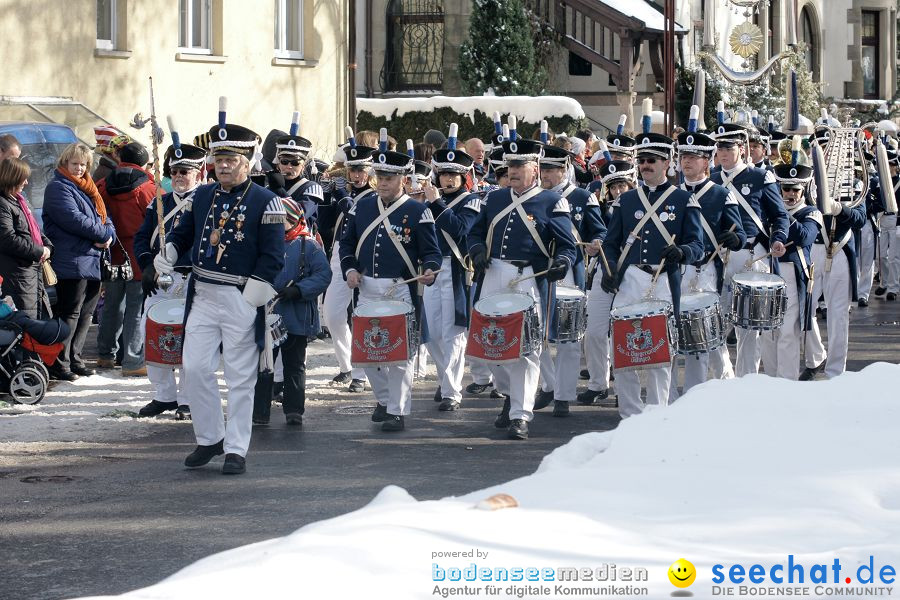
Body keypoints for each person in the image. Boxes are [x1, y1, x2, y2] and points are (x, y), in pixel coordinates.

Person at [155, 111, 285, 475]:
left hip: (240, 296)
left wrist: (252, 297)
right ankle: (210, 436)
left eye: (231, 160)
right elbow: (183, 233)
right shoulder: (203, 195)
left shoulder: (266, 201)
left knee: (241, 378)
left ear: (247, 162)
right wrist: (169, 252)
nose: (223, 166)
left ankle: (237, 448)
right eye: (219, 159)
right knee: (194, 368)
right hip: (203, 294)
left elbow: (274, 256)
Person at [467, 134, 577, 439]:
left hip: (526, 279)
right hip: (492, 275)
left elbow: (568, 247)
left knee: (526, 350)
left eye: (520, 165)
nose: (512, 170)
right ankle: (508, 395)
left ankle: (520, 414)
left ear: (535, 167)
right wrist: (476, 249)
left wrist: (562, 263)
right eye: (509, 164)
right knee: (488, 348)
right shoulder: (494, 198)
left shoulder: (553, 202)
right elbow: (474, 233)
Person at [338, 140, 442, 432]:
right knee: (366, 354)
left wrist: (430, 270)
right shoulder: (362, 207)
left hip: (400, 289)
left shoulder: (417, 211)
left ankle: (397, 410)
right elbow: (346, 244)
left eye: (388, 178)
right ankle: (383, 399)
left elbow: (431, 253)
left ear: (402, 179)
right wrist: (350, 269)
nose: (382, 183)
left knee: (398, 355)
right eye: (379, 177)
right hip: (367, 287)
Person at [600, 131, 704, 419]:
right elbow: (610, 243)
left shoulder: (684, 200)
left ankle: (658, 414)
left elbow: (698, 245)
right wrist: (609, 270)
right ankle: (629, 416)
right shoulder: (626, 200)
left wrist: (682, 252)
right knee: (623, 349)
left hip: (663, 283)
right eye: (642, 160)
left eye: (652, 161)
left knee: (659, 353)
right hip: (631, 279)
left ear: (667, 163)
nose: (646, 165)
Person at [669, 127, 745, 401]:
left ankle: (699, 393)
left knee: (704, 334)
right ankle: (678, 395)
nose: (685, 161)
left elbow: (741, 234)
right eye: (683, 156)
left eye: (693, 156)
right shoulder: (672, 194)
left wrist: (734, 238)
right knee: (679, 333)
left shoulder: (721, 195)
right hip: (676, 271)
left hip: (706, 270)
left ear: (707, 161)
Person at [134, 134, 207, 419]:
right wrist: (147, 266)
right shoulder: (158, 203)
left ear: (197, 173)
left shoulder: (205, 202)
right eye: (174, 171)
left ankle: (188, 398)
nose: (178, 176)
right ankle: (163, 395)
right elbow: (141, 239)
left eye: (184, 172)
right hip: (159, 280)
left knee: (189, 339)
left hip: (191, 279)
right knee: (150, 332)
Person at [710, 123, 789, 377]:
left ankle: (747, 381)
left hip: (751, 255)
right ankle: (725, 376)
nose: (723, 153)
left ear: (741, 148)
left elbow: (779, 215)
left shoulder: (758, 177)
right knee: (714, 322)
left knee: (749, 326)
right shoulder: (711, 179)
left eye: (728, 147)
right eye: (719, 147)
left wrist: (778, 238)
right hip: (718, 257)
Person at [534, 144, 606, 417]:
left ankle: (563, 395)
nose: (546, 175)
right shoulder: (533, 198)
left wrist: (596, 242)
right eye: (543, 170)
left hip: (569, 275)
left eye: (551, 170)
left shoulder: (582, 197)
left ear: (564, 169)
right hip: (539, 274)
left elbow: (599, 230)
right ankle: (549, 384)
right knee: (535, 336)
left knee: (568, 339)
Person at [42, 143, 117, 381]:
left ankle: (75, 358)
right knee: (70, 312)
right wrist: (103, 235)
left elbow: (105, 219)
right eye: (75, 164)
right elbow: (73, 219)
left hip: (92, 259)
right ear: (64, 163)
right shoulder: (57, 187)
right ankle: (59, 361)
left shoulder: (88, 188)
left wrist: (109, 237)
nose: (79, 168)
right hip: (71, 259)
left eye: (83, 164)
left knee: (86, 313)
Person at [254, 198, 330, 426]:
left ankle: (294, 410)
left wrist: (299, 290)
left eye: (284, 220)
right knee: (264, 364)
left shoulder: (309, 245)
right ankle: (259, 411)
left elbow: (324, 276)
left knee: (294, 363)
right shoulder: (263, 243)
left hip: (296, 315)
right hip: (267, 314)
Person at [422, 138, 482, 411]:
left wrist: (435, 204)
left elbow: (460, 229)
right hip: (431, 269)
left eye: (453, 175)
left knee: (453, 333)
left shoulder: (472, 202)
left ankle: (451, 392)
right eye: (444, 174)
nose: (447, 179)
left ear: (462, 177)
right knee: (432, 333)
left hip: (457, 269)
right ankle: (446, 380)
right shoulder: (429, 202)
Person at [320, 134, 376, 393]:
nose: (356, 176)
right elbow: (324, 224)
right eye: (352, 170)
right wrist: (325, 196)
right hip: (339, 255)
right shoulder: (341, 192)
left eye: (361, 170)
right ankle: (347, 366)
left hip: (364, 259)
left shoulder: (375, 196)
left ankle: (361, 373)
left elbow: (354, 211)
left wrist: (341, 194)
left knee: (360, 315)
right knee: (331, 314)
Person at [95, 142, 156, 377]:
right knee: (135, 308)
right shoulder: (148, 189)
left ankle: (105, 355)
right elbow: (157, 221)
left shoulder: (102, 185)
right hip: (138, 254)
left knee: (111, 305)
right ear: (143, 162)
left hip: (111, 251)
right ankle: (132, 360)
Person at [800, 170, 867, 380]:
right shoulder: (810, 182)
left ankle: (835, 372)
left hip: (840, 251)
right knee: (804, 308)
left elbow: (860, 219)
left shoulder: (854, 184)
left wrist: (840, 209)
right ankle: (816, 356)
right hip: (814, 250)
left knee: (838, 316)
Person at [578, 159, 634, 407]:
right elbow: (592, 234)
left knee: (625, 333)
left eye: (622, 185)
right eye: (613, 187)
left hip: (632, 274)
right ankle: (598, 384)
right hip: (604, 272)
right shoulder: (600, 209)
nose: (618, 191)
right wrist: (593, 247)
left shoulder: (640, 206)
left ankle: (624, 389)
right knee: (594, 332)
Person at [759, 163, 821, 380]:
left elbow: (805, 237)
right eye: (786, 189)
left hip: (792, 274)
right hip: (768, 273)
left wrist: (781, 216)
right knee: (767, 333)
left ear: (803, 190)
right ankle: (771, 379)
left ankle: (787, 382)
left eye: (795, 190)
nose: (791, 194)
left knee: (787, 332)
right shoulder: (769, 211)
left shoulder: (811, 212)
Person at [0, 157, 53, 319]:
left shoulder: (20, 200)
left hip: (31, 274)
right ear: (13, 178)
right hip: (17, 276)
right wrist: (39, 251)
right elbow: (7, 238)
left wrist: (48, 246)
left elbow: (33, 229)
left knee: (37, 323)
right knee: (25, 326)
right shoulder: (3, 203)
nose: (27, 183)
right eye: (24, 178)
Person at [265, 130, 323, 236]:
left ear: (303, 166)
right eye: (284, 162)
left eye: (295, 163)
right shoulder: (269, 188)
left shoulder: (312, 188)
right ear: (278, 164)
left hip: (299, 247)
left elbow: (298, 215)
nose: (289, 166)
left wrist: (279, 190)